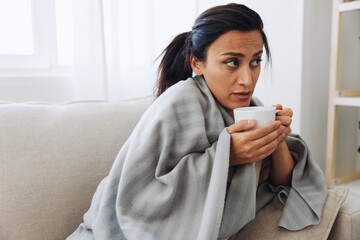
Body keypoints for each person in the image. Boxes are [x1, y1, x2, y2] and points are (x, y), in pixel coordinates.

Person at [68, 3, 327, 240]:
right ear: (197, 63)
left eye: (256, 61)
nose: (247, 80)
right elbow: (138, 197)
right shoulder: (179, 103)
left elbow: (281, 182)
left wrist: (277, 138)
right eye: (232, 62)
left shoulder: (252, 110)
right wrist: (228, 155)